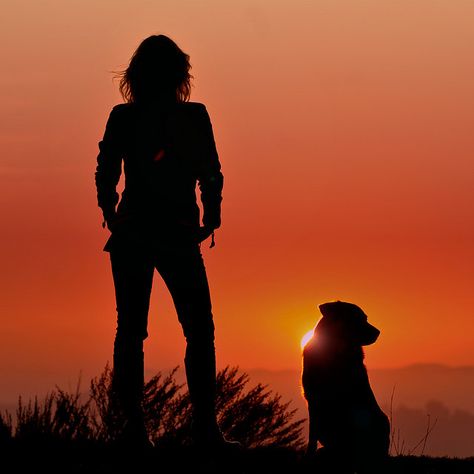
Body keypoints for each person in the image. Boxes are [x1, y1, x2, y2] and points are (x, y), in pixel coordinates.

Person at [95, 35, 229, 450]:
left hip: (136, 232)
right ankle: (203, 430)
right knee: (198, 329)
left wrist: (111, 213)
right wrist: (212, 214)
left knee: (131, 331)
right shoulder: (193, 116)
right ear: (179, 73)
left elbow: (105, 172)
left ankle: (135, 430)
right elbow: (211, 170)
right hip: (175, 232)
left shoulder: (124, 117)